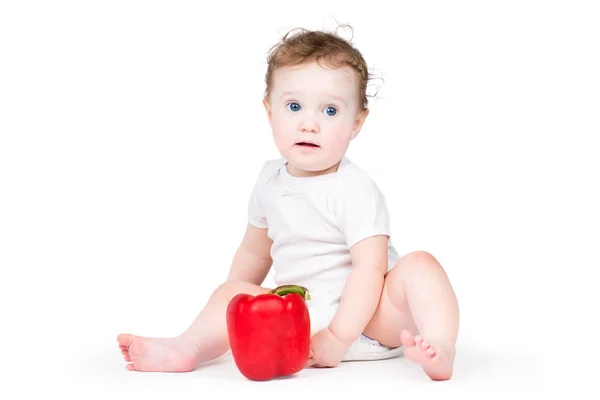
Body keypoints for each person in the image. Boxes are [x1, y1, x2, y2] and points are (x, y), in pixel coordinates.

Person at [117, 26, 459, 381]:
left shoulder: (353, 187)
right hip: (300, 318)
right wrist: (234, 309)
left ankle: (440, 345)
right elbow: (254, 253)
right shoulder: (269, 180)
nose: (309, 124)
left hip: (372, 321)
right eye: (294, 106)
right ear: (270, 112)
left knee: (420, 267)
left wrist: (340, 336)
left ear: (356, 122)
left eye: (330, 111)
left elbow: (369, 269)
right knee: (231, 291)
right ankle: (187, 347)